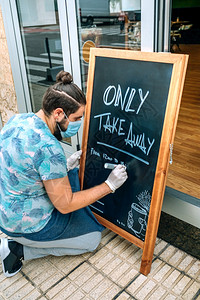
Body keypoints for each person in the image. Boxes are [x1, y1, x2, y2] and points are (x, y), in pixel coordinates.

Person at [0, 71, 128, 277]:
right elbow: (65, 204)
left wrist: (65, 167)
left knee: (73, 177)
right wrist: (109, 186)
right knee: (91, 239)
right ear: (59, 113)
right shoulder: (49, 148)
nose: (79, 124)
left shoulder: (17, 120)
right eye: (77, 118)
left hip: (6, 212)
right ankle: (18, 249)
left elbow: (26, 166)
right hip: (26, 225)